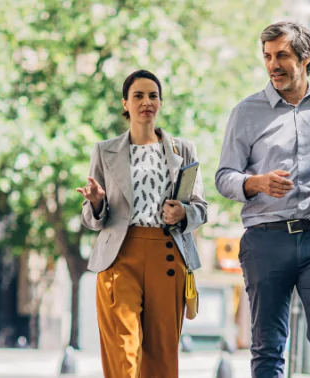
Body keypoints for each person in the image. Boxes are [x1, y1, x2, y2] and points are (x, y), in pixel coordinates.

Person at [216, 21, 310, 378]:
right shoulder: (246, 112)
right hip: (266, 239)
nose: (273, 65)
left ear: (305, 57)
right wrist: (257, 182)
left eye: (282, 55)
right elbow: (224, 177)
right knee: (267, 346)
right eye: (267, 56)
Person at [77, 69, 208, 378]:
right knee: (125, 354)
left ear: (160, 103)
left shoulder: (183, 149)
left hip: (167, 256)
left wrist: (183, 214)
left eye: (153, 95)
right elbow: (92, 219)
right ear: (125, 103)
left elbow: (201, 209)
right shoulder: (105, 151)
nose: (146, 101)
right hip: (121, 258)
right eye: (138, 95)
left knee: (161, 360)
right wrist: (96, 201)